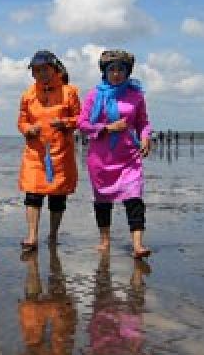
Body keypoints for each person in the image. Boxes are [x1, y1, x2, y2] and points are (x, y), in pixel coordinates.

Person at [77, 49, 153, 258]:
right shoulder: (94, 95)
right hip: (101, 159)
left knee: (134, 199)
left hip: (129, 157)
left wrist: (146, 137)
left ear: (128, 72)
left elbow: (143, 122)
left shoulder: (136, 96)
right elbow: (82, 124)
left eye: (121, 69)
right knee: (103, 201)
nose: (116, 74)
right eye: (112, 70)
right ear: (105, 72)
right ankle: (105, 240)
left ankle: (138, 245)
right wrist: (108, 128)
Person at [17, 50, 81, 250]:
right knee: (33, 194)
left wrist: (65, 123)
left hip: (61, 151)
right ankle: (32, 237)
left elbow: (80, 119)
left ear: (54, 69)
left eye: (44, 69)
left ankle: (53, 234)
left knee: (57, 196)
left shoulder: (69, 91)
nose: (41, 74)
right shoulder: (28, 94)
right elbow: (22, 120)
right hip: (35, 153)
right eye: (36, 71)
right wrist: (28, 129)